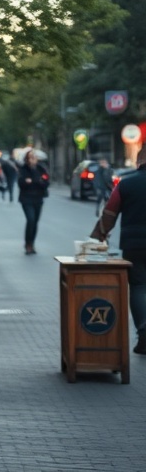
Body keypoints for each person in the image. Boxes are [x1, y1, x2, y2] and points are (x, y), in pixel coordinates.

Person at [90, 147, 146, 354]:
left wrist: (98, 237)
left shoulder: (125, 184)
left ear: (139, 161)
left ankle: (144, 333)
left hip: (134, 245)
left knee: (139, 287)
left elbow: (110, 213)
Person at [17, 149, 50, 254]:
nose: (33, 159)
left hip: (38, 198)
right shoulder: (23, 169)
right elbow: (22, 182)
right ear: (27, 159)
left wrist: (33, 181)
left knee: (35, 222)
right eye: (30, 157)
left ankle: (32, 243)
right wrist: (36, 181)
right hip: (26, 198)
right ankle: (28, 244)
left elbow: (45, 182)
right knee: (30, 220)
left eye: (34, 157)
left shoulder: (41, 169)